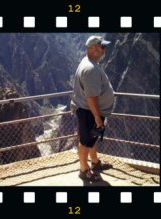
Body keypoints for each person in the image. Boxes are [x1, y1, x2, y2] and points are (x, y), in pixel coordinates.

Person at [70, 35, 114, 182]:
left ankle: (94, 163)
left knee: (92, 138)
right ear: (93, 48)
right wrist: (97, 117)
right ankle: (84, 170)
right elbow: (91, 97)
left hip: (90, 111)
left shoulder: (89, 62)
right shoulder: (90, 69)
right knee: (85, 141)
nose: (104, 49)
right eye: (102, 47)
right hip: (89, 112)